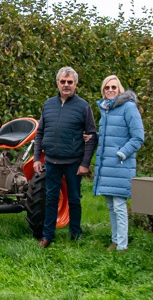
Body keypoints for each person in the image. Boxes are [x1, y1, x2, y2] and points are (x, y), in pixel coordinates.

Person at [33, 66, 97, 248]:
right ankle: (47, 236)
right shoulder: (48, 104)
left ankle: (75, 234)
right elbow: (40, 133)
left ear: (75, 84)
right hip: (51, 161)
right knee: (51, 199)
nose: (66, 85)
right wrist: (37, 158)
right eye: (63, 82)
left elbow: (91, 136)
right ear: (57, 83)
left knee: (74, 199)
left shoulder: (83, 107)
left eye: (70, 82)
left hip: (73, 163)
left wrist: (85, 163)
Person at [92, 74, 144, 252]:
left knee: (119, 206)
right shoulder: (106, 110)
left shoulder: (128, 108)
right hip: (107, 166)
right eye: (107, 87)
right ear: (103, 91)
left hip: (120, 165)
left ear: (119, 89)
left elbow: (138, 137)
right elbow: (110, 136)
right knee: (110, 206)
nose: (110, 90)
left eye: (114, 87)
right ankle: (115, 241)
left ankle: (122, 246)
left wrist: (122, 153)